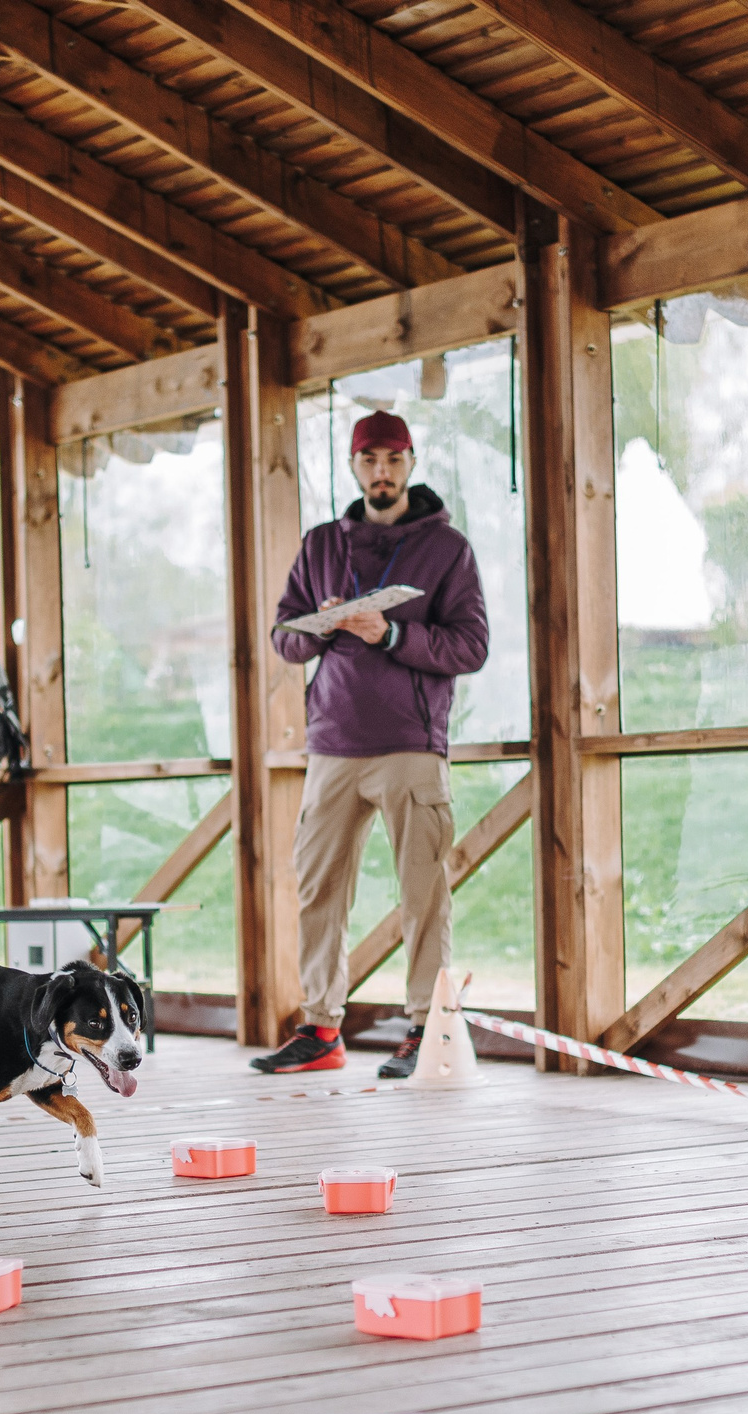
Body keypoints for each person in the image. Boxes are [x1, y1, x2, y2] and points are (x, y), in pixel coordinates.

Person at [251, 410, 490, 1079]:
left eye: (391, 460)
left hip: (411, 745)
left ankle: (427, 1030)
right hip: (331, 743)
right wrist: (326, 627)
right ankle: (322, 1028)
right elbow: (283, 637)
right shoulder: (322, 542)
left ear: (411, 462)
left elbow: (471, 646)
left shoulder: (449, 550)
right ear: (353, 467)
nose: (380, 473)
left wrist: (389, 635)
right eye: (368, 461)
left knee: (423, 891)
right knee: (318, 888)